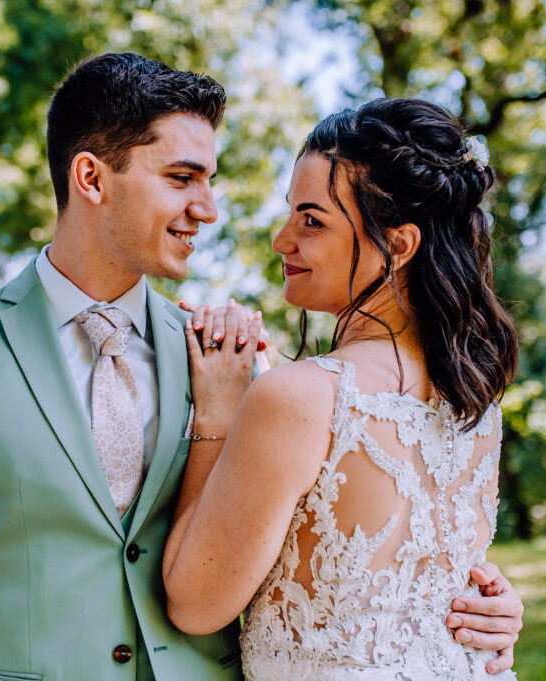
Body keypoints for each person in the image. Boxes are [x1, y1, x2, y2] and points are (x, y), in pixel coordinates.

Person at [0, 52, 520, 681]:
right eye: (181, 178)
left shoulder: (242, 362)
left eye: (209, 180)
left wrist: (471, 605)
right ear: (91, 177)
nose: (209, 208)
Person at [163, 98, 523, 680]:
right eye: (290, 214)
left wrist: (218, 415)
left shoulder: (301, 397)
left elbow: (196, 604)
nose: (282, 240)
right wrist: (500, 608)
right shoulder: (477, 406)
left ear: (400, 246)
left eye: (312, 220)